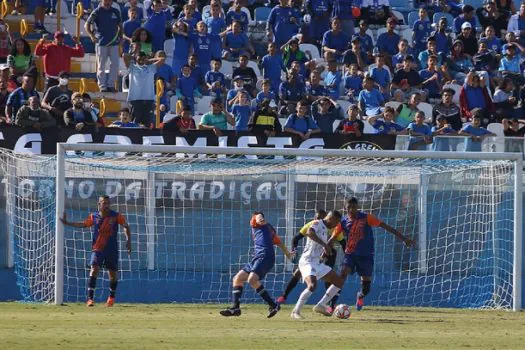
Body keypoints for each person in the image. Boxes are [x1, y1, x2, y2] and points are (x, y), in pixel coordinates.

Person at [313, 197, 414, 314]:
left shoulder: (367, 218)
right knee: (341, 277)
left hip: (366, 256)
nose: (351, 209)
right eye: (349, 207)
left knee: (366, 288)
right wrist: (325, 250)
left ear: (358, 207)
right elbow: (332, 238)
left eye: (354, 207)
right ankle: (328, 305)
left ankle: (360, 296)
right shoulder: (343, 222)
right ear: (345, 208)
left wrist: (404, 239)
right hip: (350, 254)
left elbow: (386, 227)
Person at [60, 195, 131, 307]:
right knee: (94, 270)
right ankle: (90, 299)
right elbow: (84, 224)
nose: (107, 205)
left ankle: (111, 298)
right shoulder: (94, 216)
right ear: (99, 204)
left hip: (111, 249)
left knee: (112, 274)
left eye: (108, 203)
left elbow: (126, 226)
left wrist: (128, 241)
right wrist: (68, 223)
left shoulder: (116, 216)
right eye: (104, 203)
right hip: (98, 248)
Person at [219, 211, 293, 318]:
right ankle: (235, 308)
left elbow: (259, 218)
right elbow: (279, 242)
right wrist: (288, 253)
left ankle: (273, 305)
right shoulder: (269, 229)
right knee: (237, 278)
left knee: (252, 279)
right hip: (257, 258)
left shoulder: (257, 220)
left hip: (265, 256)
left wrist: (259, 218)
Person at [277, 209, 346, 313]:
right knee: (312, 285)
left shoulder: (327, 229)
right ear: (331, 218)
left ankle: (321, 305)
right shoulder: (317, 223)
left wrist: (324, 250)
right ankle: (295, 311)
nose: (336, 225)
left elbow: (339, 243)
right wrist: (324, 245)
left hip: (317, 262)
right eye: (336, 222)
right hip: (307, 261)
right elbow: (309, 232)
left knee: (339, 281)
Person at [85, 0, 123, 92]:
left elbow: (120, 26)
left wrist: (120, 38)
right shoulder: (97, 11)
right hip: (101, 42)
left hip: (114, 42)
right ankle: (102, 85)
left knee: (115, 64)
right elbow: (87, 24)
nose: (108, 2)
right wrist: (92, 35)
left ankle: (111, 85)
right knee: (101, 65)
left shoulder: (115, 11)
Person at [124, 51, 165, 126]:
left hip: (149, 100)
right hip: (136, 100)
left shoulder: (151, 67)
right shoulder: (132, 67)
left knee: (148, 124)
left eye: (143, 57)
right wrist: (136, 57)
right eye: (140, 57)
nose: (141, 59)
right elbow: (125, 55)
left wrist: (149, 60)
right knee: (135, 123)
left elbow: (162, 59)